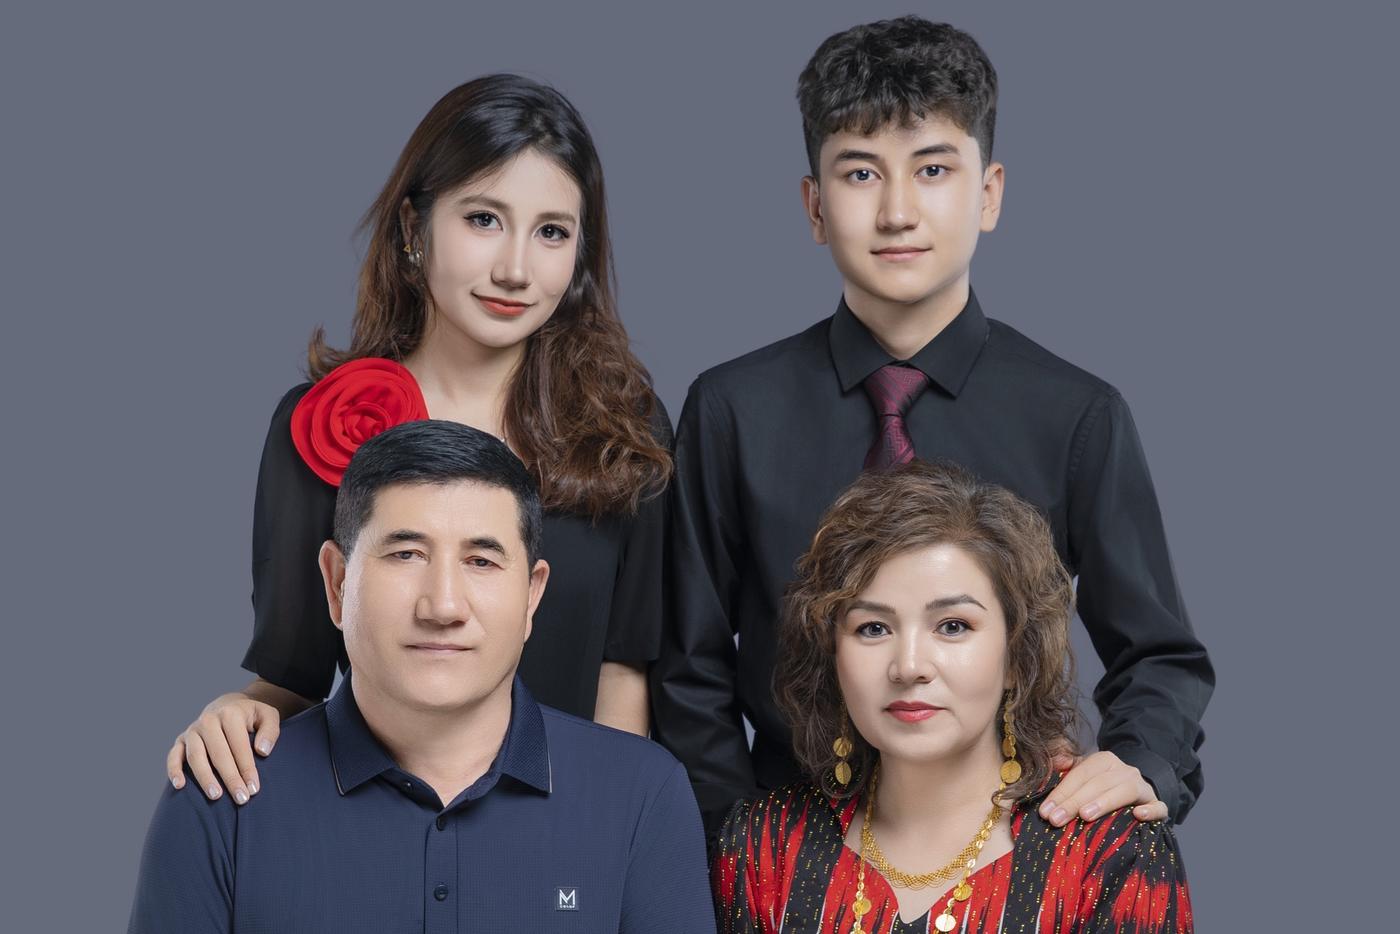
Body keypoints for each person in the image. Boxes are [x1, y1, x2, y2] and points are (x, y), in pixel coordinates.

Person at [653, 17, 1212, 834]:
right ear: (814, 206)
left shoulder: (1076, 414)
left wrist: (1140, 763)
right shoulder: (732, 409)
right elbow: (687, 668)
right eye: (860, 173)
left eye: (934, 169)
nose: (897, 211)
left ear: (989, 194)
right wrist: (742, 848)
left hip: (1009, 847)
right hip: (786, 843)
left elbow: (1160, 653)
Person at [168, 74, 673, 806]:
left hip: (562, 819)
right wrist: (233, 713)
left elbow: (623, 676)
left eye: (552, 232)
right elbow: (293, 678)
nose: (515, 270)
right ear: (414, 229)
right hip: (381, 814)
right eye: (484, 219)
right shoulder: (323, 424)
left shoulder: (625, 430)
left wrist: (600, 830)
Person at [130, 421, 713, 933]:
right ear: (337, 583)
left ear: (532, 595)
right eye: (405, 554)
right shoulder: (224, 798)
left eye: (481, 561)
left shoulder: (643, 794)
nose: (443, 606)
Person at [711, 461, 1193, 933]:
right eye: (873, 628)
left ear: (1017, 655)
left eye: (953, 626)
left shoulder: (1109, 851)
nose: (909, 667)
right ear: (832, 654)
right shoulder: (763, 846)